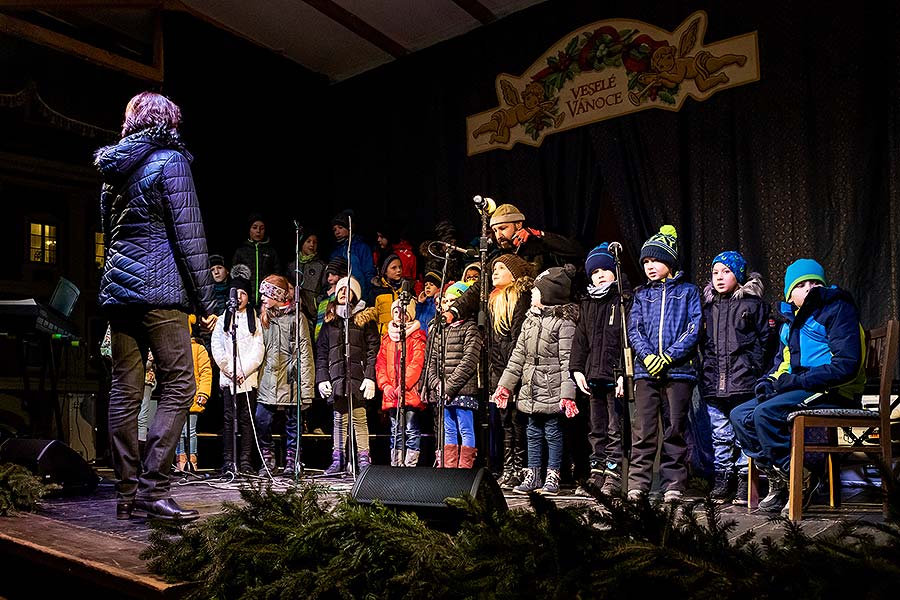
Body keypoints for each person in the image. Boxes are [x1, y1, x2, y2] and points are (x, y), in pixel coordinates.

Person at [96, 91, 217, 521]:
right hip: (159, 292)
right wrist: (206, 300)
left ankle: (127, 493)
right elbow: (190, 237)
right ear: (168, 121)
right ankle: (154, 489)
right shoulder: (171, 161)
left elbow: (108, 237)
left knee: (125, 391)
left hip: (118, 293)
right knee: (181, 383)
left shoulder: (113, 170)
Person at [730, 259, 866, 515]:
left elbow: (846, 365)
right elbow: (783, 364)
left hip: (834, 390)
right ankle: (780, 478)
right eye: (801, 285)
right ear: (790, 296)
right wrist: (768, 383)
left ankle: (800, 478)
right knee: (740, 415)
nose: (810, 288)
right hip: (804, 385)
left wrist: (795, 382)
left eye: (815, 283)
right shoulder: (791, 324)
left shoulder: (836, 309)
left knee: (766, 414)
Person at [626, 225, 702, 503]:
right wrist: (647, 356)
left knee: (675, 430)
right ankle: (639, 483)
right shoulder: (641, 294)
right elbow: (634, 329)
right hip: (646, 371)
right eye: (645, 261)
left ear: (669, 262)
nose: (649, 266)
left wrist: (669, 356)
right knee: (643, 429)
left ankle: (674, 484)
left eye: (655, 260)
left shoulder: (688, 292)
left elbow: (694, 328)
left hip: (678, 371)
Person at [493, 265, 579, 495]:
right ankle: (533, 474)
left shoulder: (564, 322)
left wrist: (567, 395)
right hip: (531, 387)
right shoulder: (530, 320)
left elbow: (567, 361)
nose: (532, 294)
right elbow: (518, 356)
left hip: (552, 387)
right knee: (532, 431)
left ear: (549, 294)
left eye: (536, 291)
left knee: (552, 431)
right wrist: (505, 386)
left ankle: (553, 475)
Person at [698, 251, 769, 504]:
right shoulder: (707, 307)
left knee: (741, 433)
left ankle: (743, 480)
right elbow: (703, 344)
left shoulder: (752, 305)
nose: (719, 277)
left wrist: (754, 369)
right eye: (715, 272)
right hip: (714, 383)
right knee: (720, 434)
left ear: (738, 275)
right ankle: (722, 477)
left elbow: (764, 341)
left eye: (726, 272)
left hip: (743, 382)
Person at [570, 243, 631, 497]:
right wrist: (577, 369)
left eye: (606, 269)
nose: (601, 275)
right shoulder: (588, 303)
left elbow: (625, 340)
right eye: (595, 272)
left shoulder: (623, 299)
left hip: (613, 375)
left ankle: (614, 476)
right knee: (596, 429)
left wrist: (622, 375)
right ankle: (597, 473)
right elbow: (581, 339)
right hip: (593, 376)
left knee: (615, 429)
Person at [316, 276, 379, 474]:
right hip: (336, 377)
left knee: (359, 417)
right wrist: (322, 378)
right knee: (339, 418)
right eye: (340, 289)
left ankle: (363, 458)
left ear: (354, 294)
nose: (343, 292)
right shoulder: (330, 321)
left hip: (357, 376)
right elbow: (322, 352)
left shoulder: (364, 319)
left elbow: (372, 350)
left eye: (347, 290)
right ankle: (338, 459)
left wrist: (370, 377)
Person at [255, 274, 315, 477]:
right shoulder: (263, 317)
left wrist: (306, 388)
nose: (262, 298)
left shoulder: (297, 317)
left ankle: (293, 460)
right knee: (261, 419)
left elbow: (305, 352)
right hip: (268, 377)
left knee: (293, 422)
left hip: (291, 377)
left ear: (278, 295)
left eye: (267, 294)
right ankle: (268, 458)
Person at [486, 254, 535, 489]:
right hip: (499, 368)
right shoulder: (494, 300)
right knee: (505, 419)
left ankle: (522, 467)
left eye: (501, 268)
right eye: (494, 268)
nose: (495, 272)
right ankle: (508, 468)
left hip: (516, 368)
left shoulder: (521, 297)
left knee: (518, 419)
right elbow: (493, 342)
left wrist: (512, 375)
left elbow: (518, 340)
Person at [424, 281, 483, 469]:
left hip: (462, 389)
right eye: (445, 301)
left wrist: (449, 386)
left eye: (453, 300)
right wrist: (436, 383)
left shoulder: (470, 328)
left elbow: (469, 360)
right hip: (442, 389)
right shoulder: (440, 329)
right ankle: (449, 469)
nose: (448, 305)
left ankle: (465, 470)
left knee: (465, 428)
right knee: (447, 429)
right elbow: (431, 360)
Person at [211, 277, 264, 475]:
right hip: (229, 378)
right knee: (228, 420)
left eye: (243, 293)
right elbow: (217, 347)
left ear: (248, 297)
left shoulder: (254, 320)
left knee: (246, 419)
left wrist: (244, 370)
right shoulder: (223, 318)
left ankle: (245, 461)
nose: (239, 297)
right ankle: (228, 461)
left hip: (247, 379)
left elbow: (258, 350)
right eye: (236, 293)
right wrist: (229, 369)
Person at [376, 299, 427, 467]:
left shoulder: (416, 337)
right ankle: (396, 464)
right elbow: (380, 364)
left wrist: (403, 385)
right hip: (392, 393)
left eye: (403, 312)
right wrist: (386, 385)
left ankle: (410, 465)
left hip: (409, 391)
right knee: (395, 430)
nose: (399, 316)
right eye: (396, 312)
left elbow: (417, 363)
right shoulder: (387, 338)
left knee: (411, 430)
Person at [175, 323, 212, 473]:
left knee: (190, 430)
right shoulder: (176, 348)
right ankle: (180, 459)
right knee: (179, 431)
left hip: (194, 396)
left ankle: (192, 460)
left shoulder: (198, 349)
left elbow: (206, 372)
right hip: (178, 396)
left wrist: (203, 393)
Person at [233, 214, 282, 308]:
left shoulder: (271, 251)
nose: (258, 231)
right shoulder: (241, 251)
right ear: (249, 229)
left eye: (262, 228)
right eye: (254, 227)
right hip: (246, 299)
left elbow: (277, 275)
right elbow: (235, 276)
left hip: (266, 299)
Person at [329, 209, 376, 303]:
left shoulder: (361, 248)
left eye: (340, 228)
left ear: (349, 228)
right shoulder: (335, 253)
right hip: (342, 297)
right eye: (334, 230)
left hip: (361, 295)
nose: (337, 232)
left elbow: (368, 272)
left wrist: (369, 294)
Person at [291, 230, 325, 339]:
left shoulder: (321, 266)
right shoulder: (292, 266)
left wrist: (317, 303)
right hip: (296, 312)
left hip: (314, 314)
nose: (312, 245)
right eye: (308, 241)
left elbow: (325, 289)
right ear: (301, 244)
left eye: (315, 242)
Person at [372, 253, 415, 335]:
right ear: (385, 271)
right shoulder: (376, 291)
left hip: (405, 337)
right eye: (393, 268)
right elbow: (372, 319)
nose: (398, 270)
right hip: (383, 338)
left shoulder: (408, 289)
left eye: (400, 267)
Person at [415, 270, 443, 338]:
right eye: (426, 285)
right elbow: (417, 319)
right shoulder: (424, 303)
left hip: (432, 339)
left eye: (431, 285)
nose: (427, 287)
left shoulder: (440, 303)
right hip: (420, 338)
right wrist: (420, 304)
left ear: (438, 288)